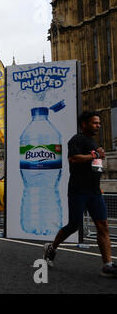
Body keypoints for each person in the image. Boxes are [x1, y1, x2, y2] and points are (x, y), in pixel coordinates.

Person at [43, 111, 117, 277]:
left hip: (94, 191)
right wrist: (95, 154)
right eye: (94, 123)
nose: (98, 125)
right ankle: (52, 247)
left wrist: (98, 179)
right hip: (78, 191)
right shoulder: (77, 140)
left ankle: (107, 264)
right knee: (73, 226)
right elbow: (74, 159)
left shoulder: (93, 142)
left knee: (103, 225)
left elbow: (94, 167)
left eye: (99, 123)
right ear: (84, 124)